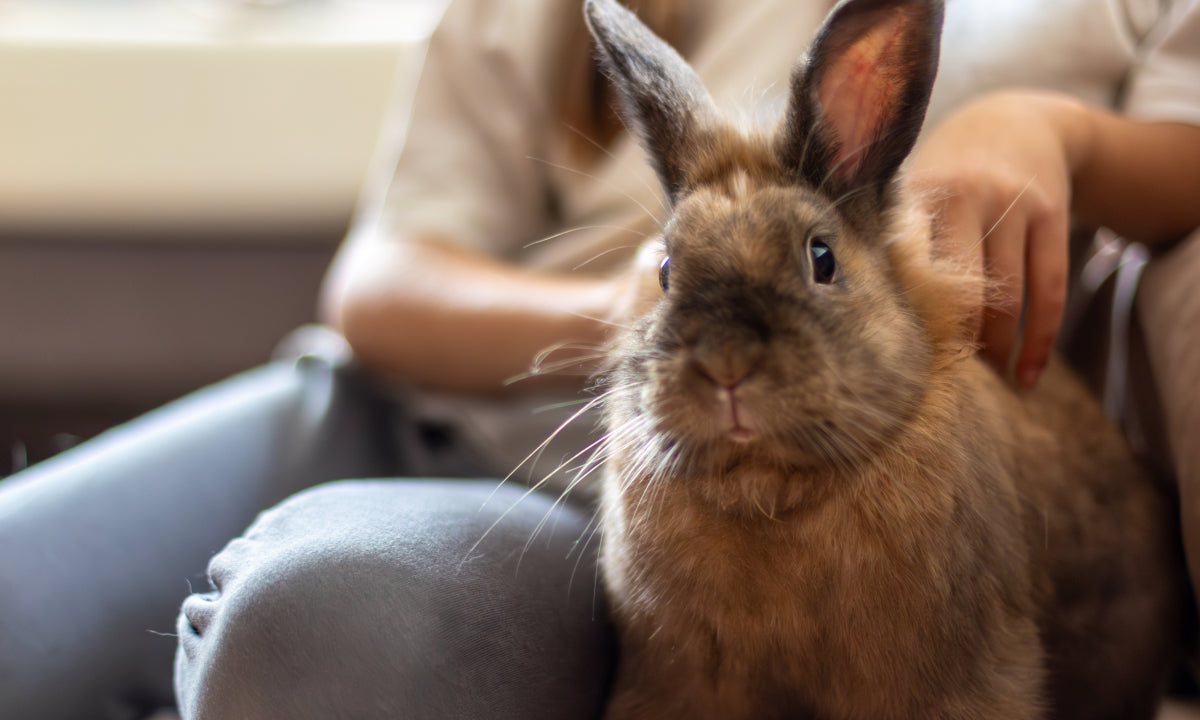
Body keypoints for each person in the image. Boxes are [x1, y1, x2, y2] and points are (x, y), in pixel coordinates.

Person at [0, 0, 1197, 718]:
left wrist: (1065, 135)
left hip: (564, 503)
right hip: (396, 409)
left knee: (313, 626)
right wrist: (639, 301)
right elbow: (376, 282)